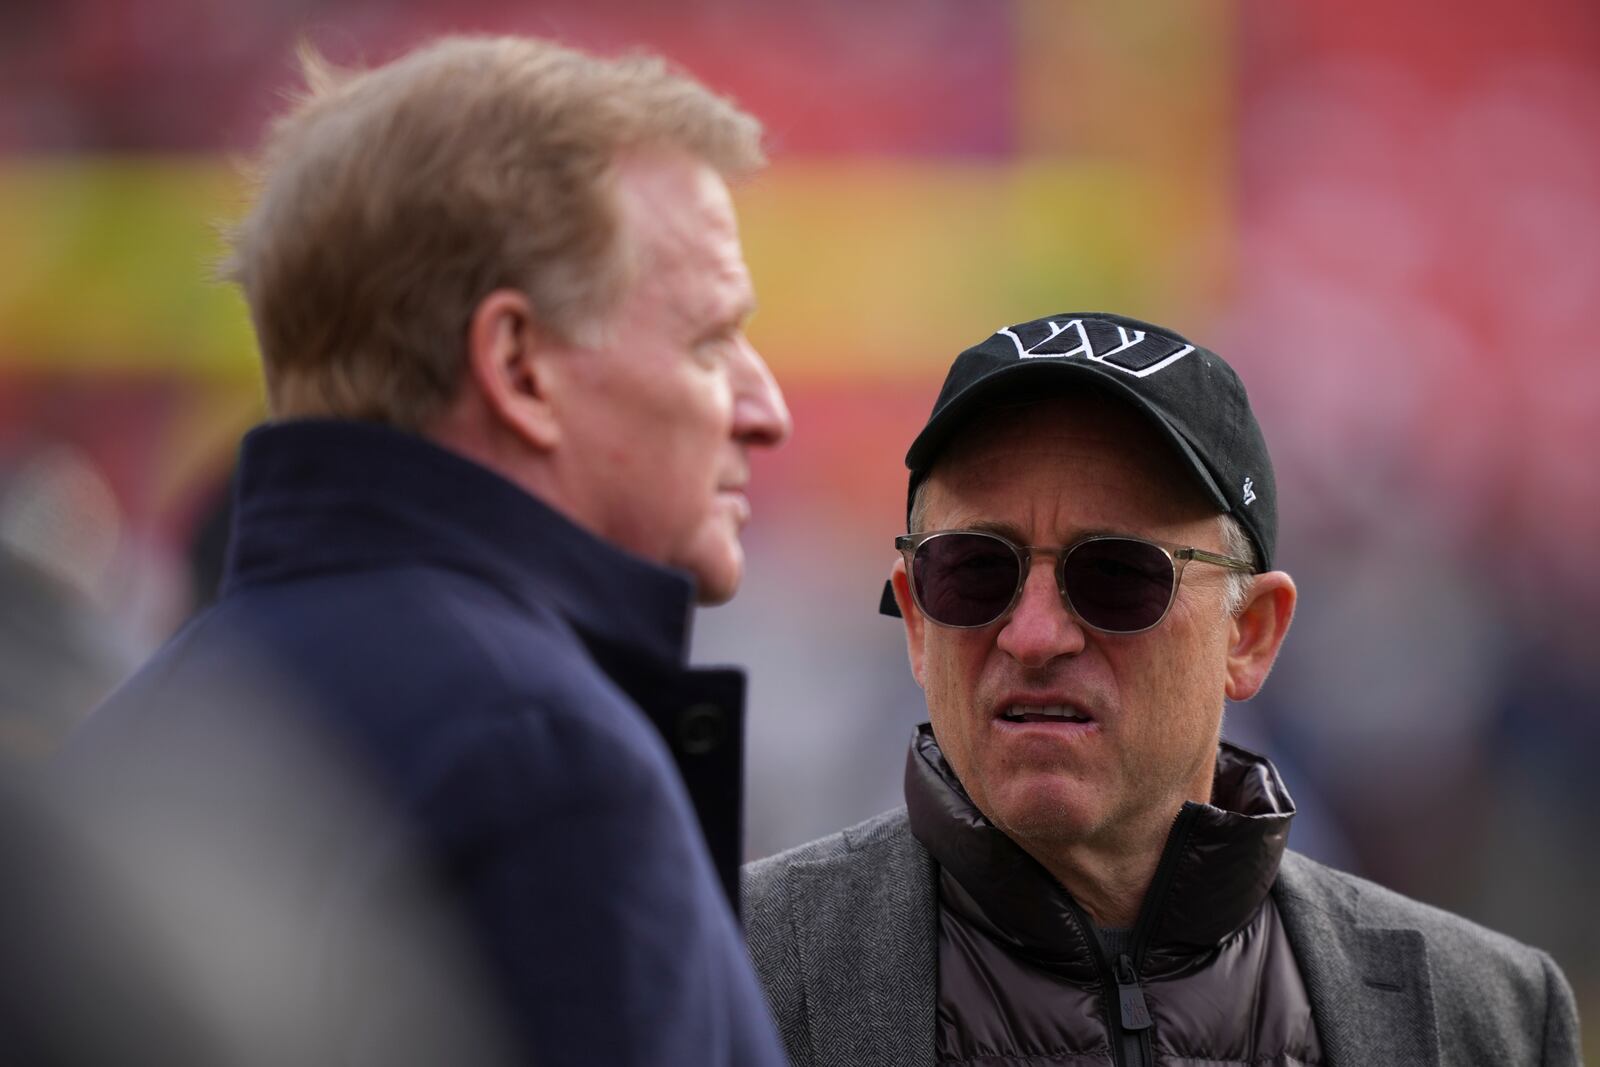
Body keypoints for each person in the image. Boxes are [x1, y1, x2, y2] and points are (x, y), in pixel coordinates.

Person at [58, 35, 791, 1066]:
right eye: (711, 341)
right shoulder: (541, 757)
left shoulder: (134, 727)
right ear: (517, 366)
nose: (768, 410)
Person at [742, 312, 1581, 1066]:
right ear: (919, 622)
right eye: (973, 571)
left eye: (1115, 575)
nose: (1034, 635)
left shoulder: (1492, 1020)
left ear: (1248, 635)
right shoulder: (727, 970)